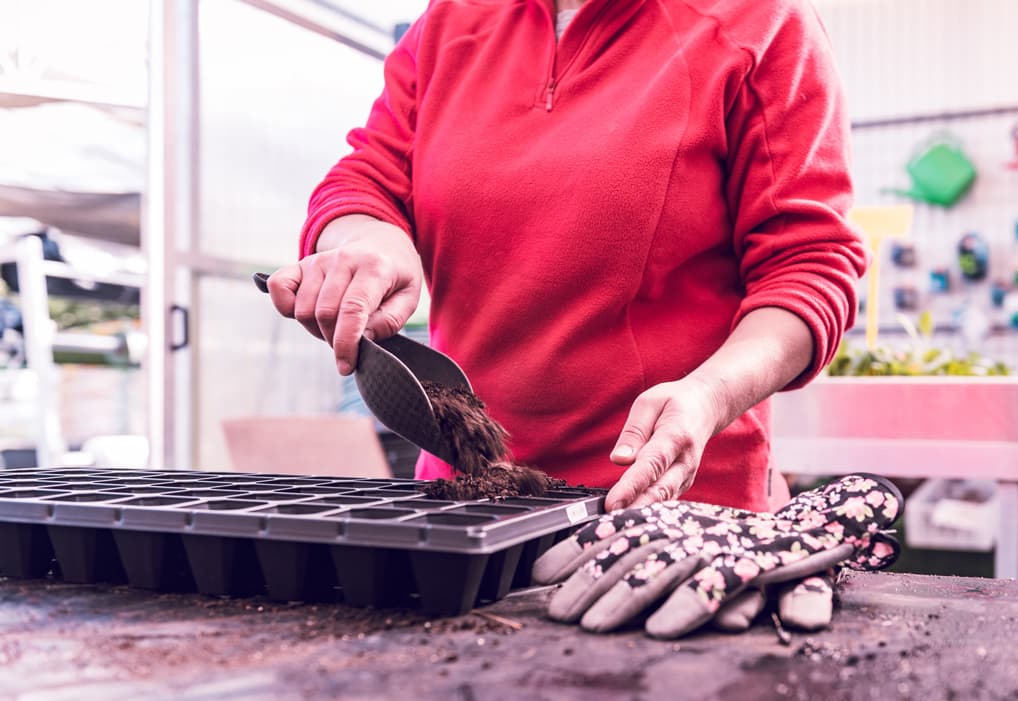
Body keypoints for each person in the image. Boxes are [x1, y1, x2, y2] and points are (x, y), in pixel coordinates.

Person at [266, 0, 866, 513]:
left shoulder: (757, 20)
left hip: (668, 507)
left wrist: (711, 394)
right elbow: (368, 177)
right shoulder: (452, 19)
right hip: (472, 506)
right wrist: (366, 237)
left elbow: (808, 266)